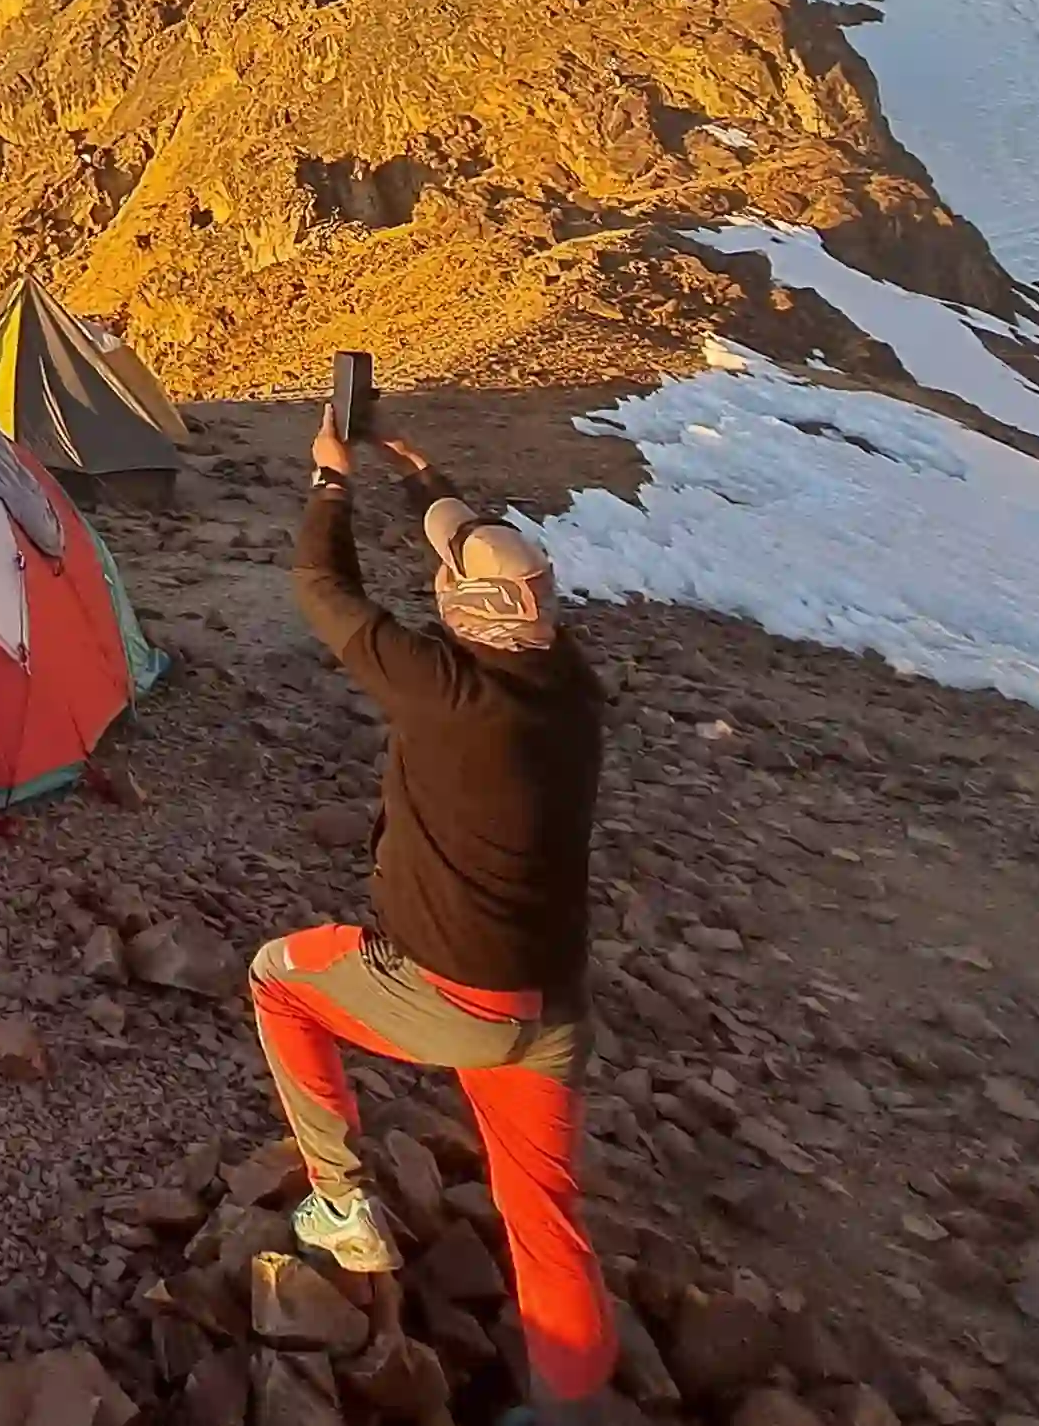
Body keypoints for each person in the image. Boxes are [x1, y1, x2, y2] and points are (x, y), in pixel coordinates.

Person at [250, 367, 612, 1423]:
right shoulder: (569, 685)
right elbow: (481, 542)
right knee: (545, 1214)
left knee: (279, 979)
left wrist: (328, 484)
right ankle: (574, 1406)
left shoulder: (446, 693)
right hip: (550, 1012)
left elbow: (326, 595)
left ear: (460, 608)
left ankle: (340, 1201)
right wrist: (411, 465)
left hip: (451, 996)